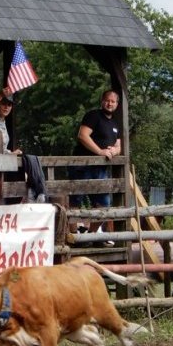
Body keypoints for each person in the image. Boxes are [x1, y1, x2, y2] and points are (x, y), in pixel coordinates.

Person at [70, 89, 122, 242]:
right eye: (107, 100)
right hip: (82, 166)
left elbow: (119, 146)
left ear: (117, 104)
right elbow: (82, 135)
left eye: (113, 101)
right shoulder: (93, 115)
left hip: (101, 169)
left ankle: (89, 237)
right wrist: (100, 151)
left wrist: (114, 150)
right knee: (75, 201)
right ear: (102, 101)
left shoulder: (114, 123)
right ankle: (73, 238)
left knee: (104, 204)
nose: (110, 103)